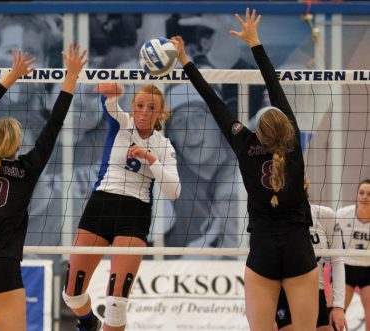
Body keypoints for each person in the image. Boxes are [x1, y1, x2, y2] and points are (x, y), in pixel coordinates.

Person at [172, 8, 319, 330]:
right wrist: (255, 41)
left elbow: (213, 101)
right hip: (298, 251)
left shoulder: (244, 143)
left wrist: (185, 60)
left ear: (258, 130)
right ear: (286, 128)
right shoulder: (293, 144)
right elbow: (273, 81)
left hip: (262, 252)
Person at [0, 45, 87, 331]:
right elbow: (54, 124)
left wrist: (12, 75)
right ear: (17, 144)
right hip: (4, 266)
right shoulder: (27, 169)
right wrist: (71, 77)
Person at [62, 83, 181, 331]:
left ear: (161, 113)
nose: (145, 112)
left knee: (116, 304)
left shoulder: (164, 145)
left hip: (134, 214)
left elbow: (174, 191)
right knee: (71, 294)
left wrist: (151, 160)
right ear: (132, 107)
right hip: (101, 206)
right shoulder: (122, 123)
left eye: (152, 108)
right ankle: (87, 321)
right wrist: (113, 94)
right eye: (139, 105)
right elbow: (111, 107)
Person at [275, 181, 347, 331]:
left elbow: (338, 260)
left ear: (304, 186)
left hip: (316, 289)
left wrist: (339, 306)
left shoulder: (325, 215)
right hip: (284, 290)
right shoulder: (274, 217)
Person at [337, 179, 370, 331]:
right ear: (356, 195)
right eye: (361, 193)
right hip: (347, 269)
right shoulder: (343, 214)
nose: (365, 197)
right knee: (336, 314)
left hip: (368, 270)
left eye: (369, 194)